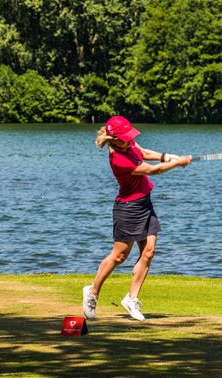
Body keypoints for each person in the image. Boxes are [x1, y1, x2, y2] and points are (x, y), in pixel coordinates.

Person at [83, 115, 192, 321]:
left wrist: (167, 156)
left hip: (145, 204)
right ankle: (93, 291)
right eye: (125, 136)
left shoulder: (128, 142)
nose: (129, 139)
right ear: (114, 138)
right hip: (128, 209)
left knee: (149, 251)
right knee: (119, 256)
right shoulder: (118, 160)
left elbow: (143, 153)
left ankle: (131, 299)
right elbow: (152, 170)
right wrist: (177, 163)